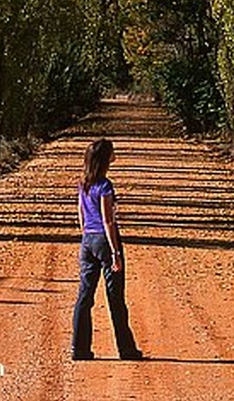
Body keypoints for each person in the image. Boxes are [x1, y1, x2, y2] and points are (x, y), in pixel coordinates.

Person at [71, 137, 144, 361]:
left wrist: (87, 237)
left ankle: (80, 349)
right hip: (105, 241)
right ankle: (126, 349)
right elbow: (108, 221)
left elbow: (81, 215)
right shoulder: (105, 185)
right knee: (115, 298)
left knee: (85, 296)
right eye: (112, 152)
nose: (115, 155)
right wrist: (115, 253)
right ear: (104, 158)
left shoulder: (83, 183)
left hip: (87, 242)